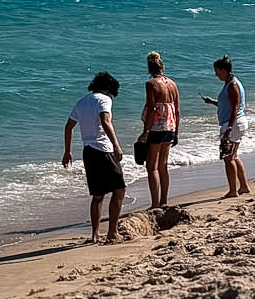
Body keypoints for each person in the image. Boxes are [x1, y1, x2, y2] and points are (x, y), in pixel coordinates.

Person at [62, 72, 127, 243]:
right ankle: (112, 232)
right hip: (103, 149)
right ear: (109, 89)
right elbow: (106, 121)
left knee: (98, 195)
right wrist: (116, 145)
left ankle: (95, 235)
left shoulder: (82, 101)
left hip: (88, 151)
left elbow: (68, 127)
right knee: (119, 190)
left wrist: (67, 152)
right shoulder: (104, 99)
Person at [202, 55, 249, 196]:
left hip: (232, 123)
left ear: (224, 70)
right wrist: (213, 102)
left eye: (217, 71)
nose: (216, 74)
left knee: (228, 159)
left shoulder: (232, 85)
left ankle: (233, 190)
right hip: (237, 122)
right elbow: (228, 105)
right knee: (234, 156)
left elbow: (235, 107)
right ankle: (244, 186)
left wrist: (229, 127)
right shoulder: (231, 83)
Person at [139, 51, 180, 208]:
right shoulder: (172, 84)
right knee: (163, 166)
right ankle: (164, 200)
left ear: (149, 69)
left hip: (156, 128)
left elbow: (152, 109)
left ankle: (155, 203)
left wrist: (146, 131)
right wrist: (176, 132)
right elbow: (177, 110)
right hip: (170, 126)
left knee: (152, 167)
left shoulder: (151, 84)